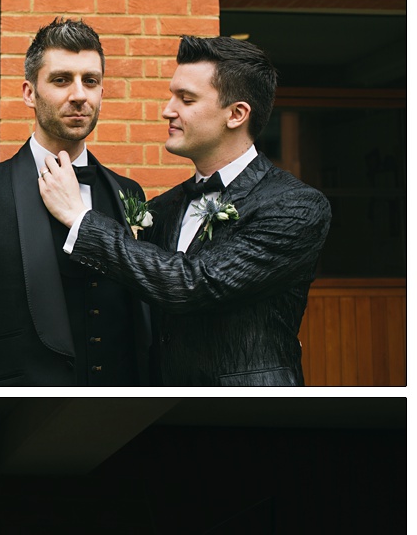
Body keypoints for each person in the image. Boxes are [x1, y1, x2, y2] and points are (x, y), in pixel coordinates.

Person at [41, 35, 331, 386]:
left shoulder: (295, 206)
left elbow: (194, 284)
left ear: (236, 114)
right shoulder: (161, 208)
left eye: (186, 99)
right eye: (171, 95)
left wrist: (81, 220)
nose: (168, 110)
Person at [0, 16, 149, 386]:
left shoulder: (129, 193)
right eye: (61, 80)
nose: (79, 94)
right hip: (16, 414)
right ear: (29, 93)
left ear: (102, 91)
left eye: (90, 81)